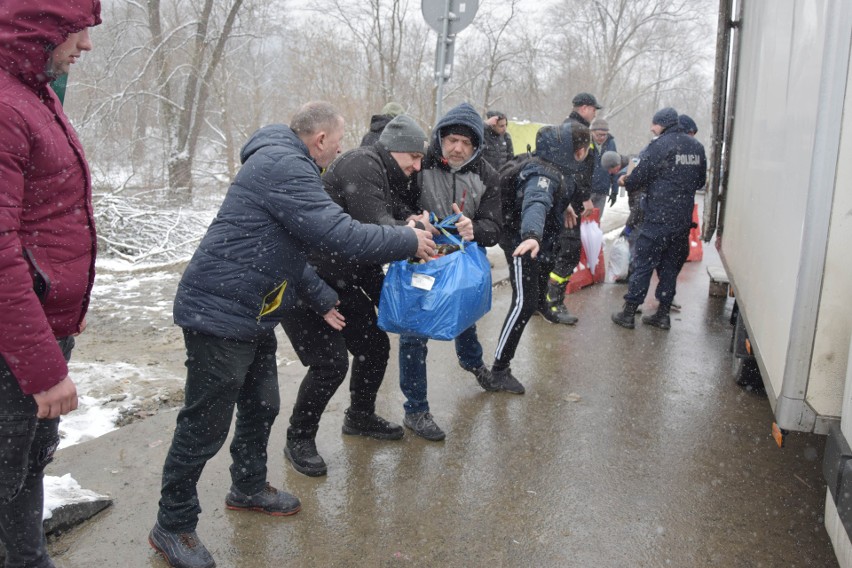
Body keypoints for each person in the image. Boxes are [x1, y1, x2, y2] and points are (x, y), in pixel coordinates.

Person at [150, 102, 437, 568]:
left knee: (262, 403)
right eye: (338, 142)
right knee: (204, 425)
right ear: (320, 139)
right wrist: (408, 241)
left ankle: (247, 486)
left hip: (255, 308)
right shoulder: (284, 164)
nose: (341, 150)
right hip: (219, 310)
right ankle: (173, 523)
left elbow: (287, 242)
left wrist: (320, 296)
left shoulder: (285, 163)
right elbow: (337, 232)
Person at [0, 2, 101, 567]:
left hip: (36, 328)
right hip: (13, 348)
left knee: (26, 465)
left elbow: (49, 220)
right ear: (40, 30)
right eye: (76, 31)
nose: (85, 45)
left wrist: (64, 305)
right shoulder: (5, 105)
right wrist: (43, 370)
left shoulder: (34, 94)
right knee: (6, 472)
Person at [281, 115, 431, 477]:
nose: (417, 165)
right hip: (305, 281)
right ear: (393, 149)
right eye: (412, 155)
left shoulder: (385, 175)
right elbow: (374, 230)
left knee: (375, 345)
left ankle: (360, 417)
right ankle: (298, 438)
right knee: (330, 363)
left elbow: (391, 224)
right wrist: (410, 234)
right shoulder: (362, 164)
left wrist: (419, 224)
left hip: (340, 279)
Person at [400, 102, 508, 442]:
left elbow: (495, 226)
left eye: (466, 142)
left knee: (464, 315)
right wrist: (414, 219)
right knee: (414, 331)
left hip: (462, 259)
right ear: (441, 139)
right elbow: (397, 205)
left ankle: (473, 364)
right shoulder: (420, 165)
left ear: (476, 145)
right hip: (424, 256)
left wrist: (473, 226)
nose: (457, 148)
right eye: (451, 140)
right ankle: (415, 409)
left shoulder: (488, 175)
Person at [492, 122, 590, 391]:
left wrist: (567, 205)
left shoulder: (555, 167)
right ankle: (499, 370)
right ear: (570, 151)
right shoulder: (543, 173)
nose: (582, 156)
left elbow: (552, 193)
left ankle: (542, 305)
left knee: (535, 295)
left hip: (540, 245)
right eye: (581, 151)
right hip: (523, 244)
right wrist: (532, 235)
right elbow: (536, 200)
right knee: (522, 304)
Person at [611, 107, 706, 330]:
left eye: (654, 124)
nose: (652, 129)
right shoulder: (697, 147)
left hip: (657, 217)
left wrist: (626, 180)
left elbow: (639, 176)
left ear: (663, 124)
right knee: (671, 267)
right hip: (682, 220)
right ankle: (662, 315)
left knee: (644, 263)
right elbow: (701, 182)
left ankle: (629, 312)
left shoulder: (660, 145)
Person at [538, 92, 599, 325]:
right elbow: (578, 169)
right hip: (569, 200)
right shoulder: (577, 131)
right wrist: (583, 198)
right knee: (568, 253)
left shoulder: (566, 128)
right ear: (584, 108)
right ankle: (553, 302)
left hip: (562, 198)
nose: (595, 114)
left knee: (555, 251)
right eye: (594, 109)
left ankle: (540, 300)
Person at [589, 118, 619, 218]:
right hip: (587, 190)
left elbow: (614, 167)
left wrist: (615, 190)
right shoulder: (585, 142)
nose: (602, 138)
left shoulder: (611, 143)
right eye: (599, 135)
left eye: (604, 135)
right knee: (583, 222)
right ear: (592, 132)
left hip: (602, 190)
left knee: (595, 222)